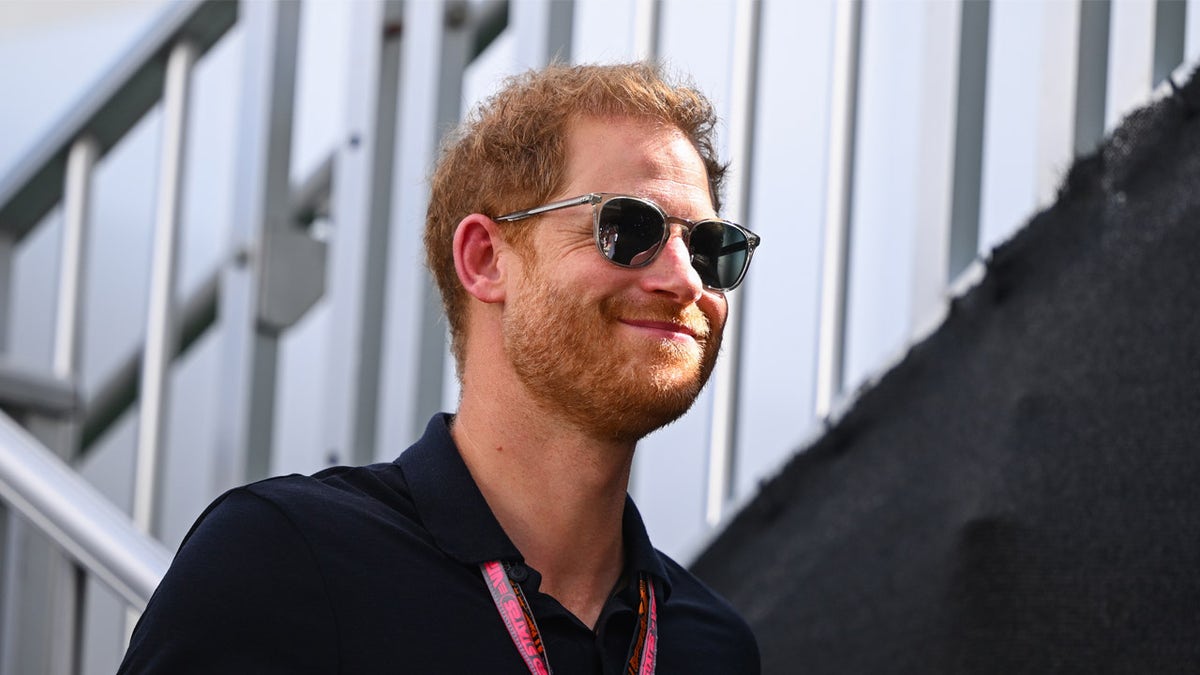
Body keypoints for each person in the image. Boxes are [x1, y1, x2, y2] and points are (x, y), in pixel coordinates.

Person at [119, 61, 761, 674]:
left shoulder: (710, 645)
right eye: (629, 227)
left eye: (710, 247)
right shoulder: (286, 558)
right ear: (485, 258)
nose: (683, 279)